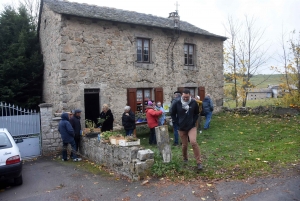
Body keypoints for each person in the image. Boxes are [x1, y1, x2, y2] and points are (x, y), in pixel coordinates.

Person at [170, 88, 202, 170]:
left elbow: (196, 113)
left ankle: (199, 162)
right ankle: (185, 158)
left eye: (187, 97)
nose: (185, 98)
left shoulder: (193, 103)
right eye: (184, 97)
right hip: (181, 127)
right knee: (184, 145)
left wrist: (193, 121)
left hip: (191, 127)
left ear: (190, 95)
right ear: (182, 95)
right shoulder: (177, 103)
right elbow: (172, 113)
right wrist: (177, 123)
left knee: (193, 142)